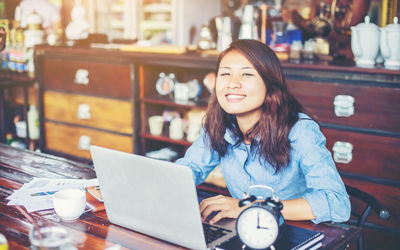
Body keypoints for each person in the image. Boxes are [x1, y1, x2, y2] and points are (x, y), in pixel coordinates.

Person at [176, 39, 350, 225]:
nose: (232, 84)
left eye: (246, 74)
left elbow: (338, 204)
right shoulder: (219, 124)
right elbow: (190, 168)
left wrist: (251, 207)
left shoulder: (301, 130)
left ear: (269, 84)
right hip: (248, 230)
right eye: (225, 74)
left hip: (295, 232)